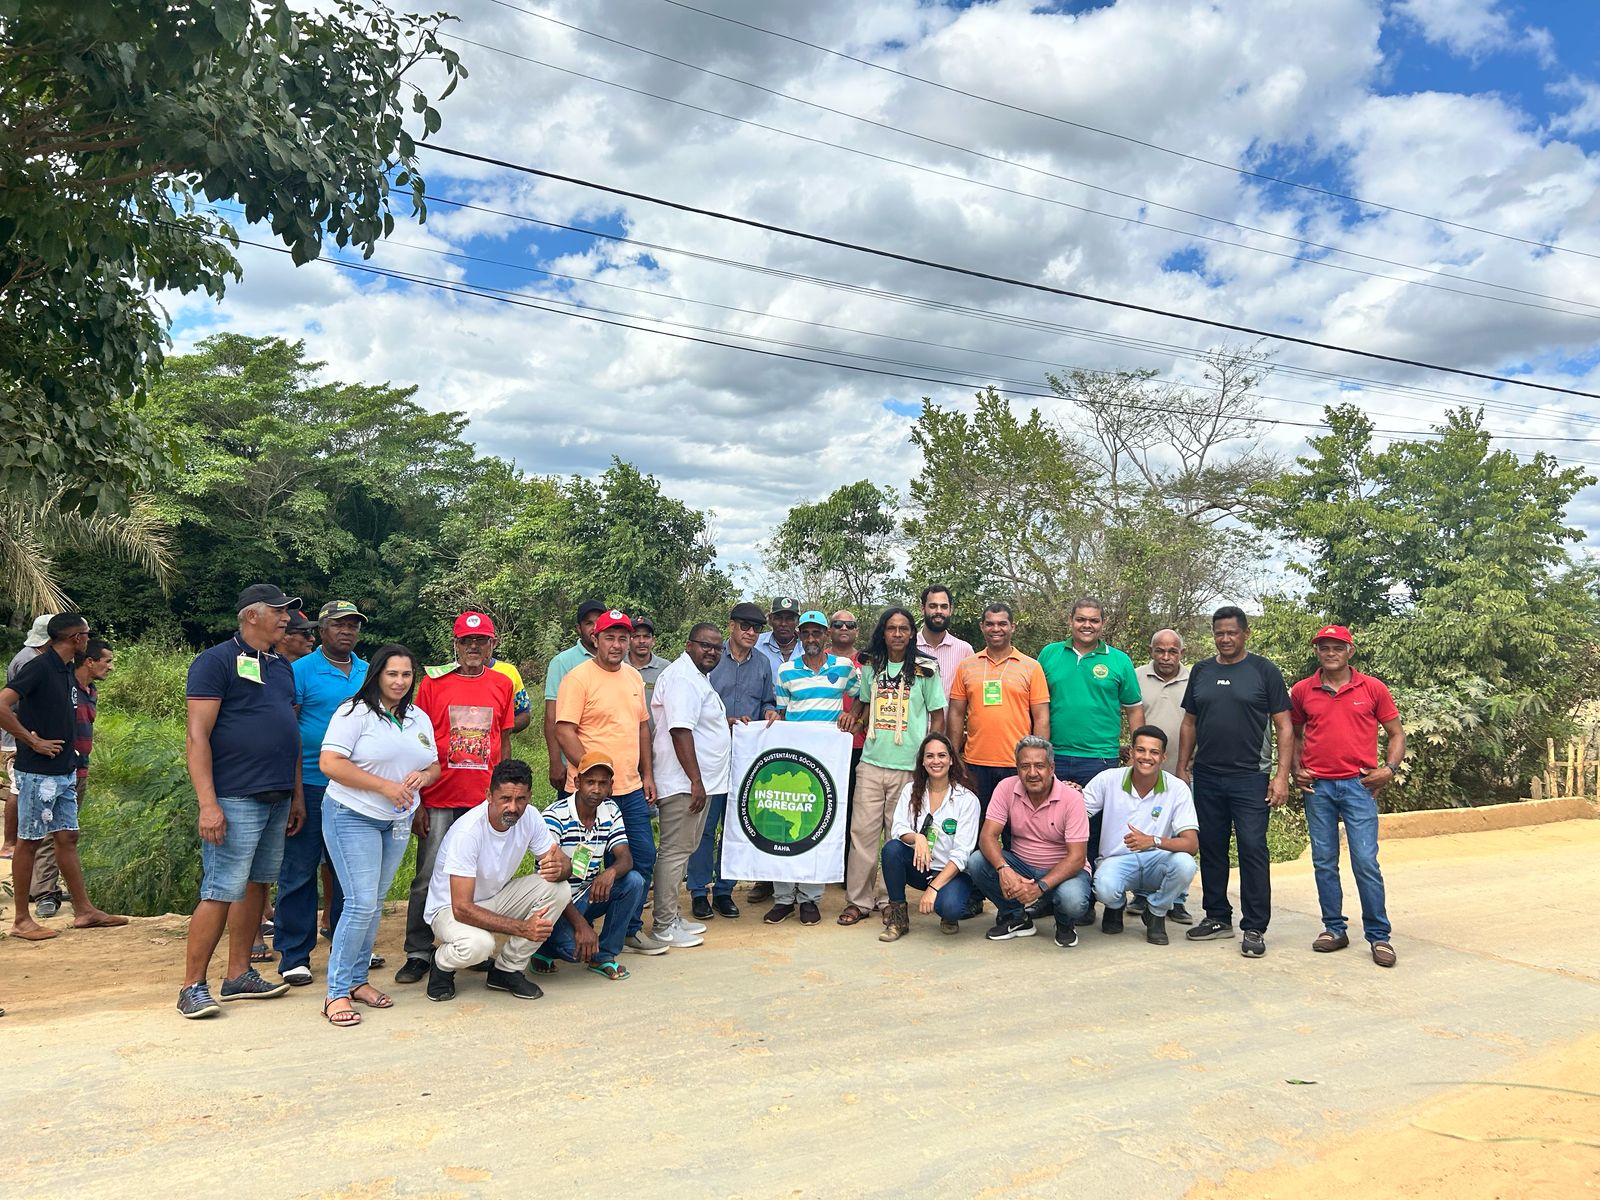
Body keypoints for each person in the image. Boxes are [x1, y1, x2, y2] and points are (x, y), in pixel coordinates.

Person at [176, 585, 304, 1018]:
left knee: (257, 885)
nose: (287, 618)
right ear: (251, 615)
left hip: (277, 795)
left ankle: (238, 974)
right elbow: (197, 736)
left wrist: (297, 795)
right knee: (219, 890)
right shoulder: (214, 661)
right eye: (279, 610)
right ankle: (192, 985)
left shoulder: (280, 666)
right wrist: (207, 803)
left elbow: (289, 731)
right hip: (234, 796)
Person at [316, 644, 441, 1026]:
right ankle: (335, 992)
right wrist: (383, 787)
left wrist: (423, 777)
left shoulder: (418, 717)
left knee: (376, 901)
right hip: (352, 815)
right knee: (359, 902)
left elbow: (434, 764)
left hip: (397, 820)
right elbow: (329, 763)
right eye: (392, 674)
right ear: (377, 676)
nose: (400, 681)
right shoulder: (353, 713)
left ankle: (358, 981)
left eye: (406, 674)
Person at [395, 611, 516, 985]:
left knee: (476, 876)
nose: (473, 647)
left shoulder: (502, 683)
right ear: (456, 644)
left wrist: (506, 794)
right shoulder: (433, 684)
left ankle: (468, 940)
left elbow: (504, 740)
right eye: (466, 641)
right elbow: (418, 744)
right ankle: (418, 950)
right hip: (441, 796)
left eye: (481, 641)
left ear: (492, 644)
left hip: (482, 800)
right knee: (428, 874)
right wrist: (419, 802)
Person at [0, 613, 126, 941]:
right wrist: (32, 740)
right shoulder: (39, 667)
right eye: (86, 633)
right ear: (76, 639)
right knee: (29, 841)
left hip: (64, 771)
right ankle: (22, 920)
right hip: (37, 772)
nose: (88, 637)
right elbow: (1, 704)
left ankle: (84, 910)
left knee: (67, 837)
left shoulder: (68, 670)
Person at [1177, 605, 1293, 959]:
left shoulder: (1264, 671)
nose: (1225, 638)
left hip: (1251, 778)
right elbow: (1189, 724)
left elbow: (1285, 726)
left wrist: (1281, 776)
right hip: (1208, 776)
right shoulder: (1202, 670)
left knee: (1253, 849)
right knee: (1211, 847)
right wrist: (1183, 768)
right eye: (1219, 632)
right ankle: (1217, 916)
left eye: (1231, 632)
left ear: (1245, 634)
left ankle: (1255, 926)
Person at [1289, 625, 1405, 968]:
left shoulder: (1372, 688)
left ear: (1350, 651)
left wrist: (1390, 769)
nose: (1330, 652)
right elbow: (1291, 734)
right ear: (1317, 652)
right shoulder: (1302, 691)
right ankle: (1334, 929)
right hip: (1318, 787)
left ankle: (1379, 936)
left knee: (1366, 861)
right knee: (1324, 861)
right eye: (1324, 647)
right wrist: (1297, 768)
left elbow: (1396, 734)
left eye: (1337, 647)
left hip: (1359, 785)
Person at [423, 759, 572, 1002]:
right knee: (480, 945)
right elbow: (462, 908)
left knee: (558, 888)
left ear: (530, 797)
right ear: (489, 796)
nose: (513, 808)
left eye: (521, 799)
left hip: (492, 898)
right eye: (505, 799)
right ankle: (441, 963)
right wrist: (523, 928)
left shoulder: (531, 817)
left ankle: (506, 970)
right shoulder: (468, 832)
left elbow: (561, 861)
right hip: (449, 909)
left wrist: (561, 868)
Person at [554, 609, 660, 953]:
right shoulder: (578, 678)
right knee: (581, 865)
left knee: (642, 858)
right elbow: (564, 729)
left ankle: (627, 929)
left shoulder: (632, 677)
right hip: (591, 793)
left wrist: (647, 774)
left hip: (629, 788)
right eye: (610, 637)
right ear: (594, 639)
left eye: (623, 638)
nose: (617, 645)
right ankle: (567, 932)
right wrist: (589, 776)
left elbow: (642, 726)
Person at [277, 599, 369, 986]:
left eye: (353, 625)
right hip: (313, 784)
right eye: (338, 625)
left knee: (349, 872)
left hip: (356, 788)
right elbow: (289, 733)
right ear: (320, 630)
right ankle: (294, 954)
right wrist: (295, 793)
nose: (346, 631)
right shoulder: (299, 670)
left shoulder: (368, 671)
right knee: (299, 870)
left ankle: (348, 948)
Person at [838, 606, 946, 926]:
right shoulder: (872, 666)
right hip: (871, 761)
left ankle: (888, 898)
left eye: (903, 628)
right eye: (891, 628)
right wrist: (853, 720)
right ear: (882, 633)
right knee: (862, 834)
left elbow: (937, 714)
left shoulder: (925, 669)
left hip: (907, 766)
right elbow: (865, 704)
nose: (897, 634)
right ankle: (858, 900)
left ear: (912, 633)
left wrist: (933, 756)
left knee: (897, 835)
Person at [766, 610, 857, 926]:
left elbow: (862, 697)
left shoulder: (844, 667)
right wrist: (774, 718)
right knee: (784, 822)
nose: (812, 638)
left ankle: (810, 899)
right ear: (799, 636)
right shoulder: (786, 670)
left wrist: (853, 717)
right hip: (792, 760)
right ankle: (782, 898)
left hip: (826, 761)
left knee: (818, 825)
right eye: (806, 633)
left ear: (826, 636)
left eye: (817, 633)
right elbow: (780, 710)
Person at [689, 601, 778, 919]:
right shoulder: (710, 657)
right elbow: (692, 704)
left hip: (745, 758)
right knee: (704, 824)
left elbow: (768, 700)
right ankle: (699, 890)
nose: (751, 632)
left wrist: (770, 710)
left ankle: (724, 890)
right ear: (731, 626)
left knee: (736, 826)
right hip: (710, 755)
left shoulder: (764, 664)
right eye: (745, 626)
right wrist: (722, 722)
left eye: (757, 628)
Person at [966, 735, 1092, 947]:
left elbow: (1077, 858)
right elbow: (987, 836)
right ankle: (1016, 918)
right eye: (1025, 766)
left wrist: (1040, 887)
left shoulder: (1072, 798)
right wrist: (1003, 868)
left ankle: (1064, 923)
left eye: (1039, 766)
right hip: (1021, 866)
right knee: (977, 862)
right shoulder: (1006, 788)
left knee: (1073, 900)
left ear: (1052, 768)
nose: (1032, 773)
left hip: (1062, 871)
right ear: (1017, 768)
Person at [649, 623, 729, 949]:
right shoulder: (683, 678)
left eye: (716, 647)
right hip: (684, 783)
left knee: (683, 851)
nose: (711, 652)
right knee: (673, 852)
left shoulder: (697, 677)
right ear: (688, 644)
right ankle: (663, 925)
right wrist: (696, 780)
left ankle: (672, 915)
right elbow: (680, 732)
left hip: (697, 782)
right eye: (704, 645)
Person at [1082, 726, 1199, 946]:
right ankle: (1115, 907)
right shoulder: (1108, 779)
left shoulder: (1177, 788)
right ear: (1131, 752)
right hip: (1116, 860)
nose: (1147, 757)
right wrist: (1065, 792)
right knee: (1105, 888)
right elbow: (1077, 814)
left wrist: (1153, 840)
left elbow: (1191, 844)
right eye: (1141, 750)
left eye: (1154, 752)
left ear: (1163, 757)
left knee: (1186, 865)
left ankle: (1156, 911)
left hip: (1157, 860)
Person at [535, 753, 646, 981]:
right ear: (577, 783)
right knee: (573, 952)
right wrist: (581, 927)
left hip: (586, 896)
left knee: (634, 881)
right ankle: (543, 948)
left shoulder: (611, 810)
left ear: (610, 787)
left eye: (602, 783)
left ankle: (603, 955)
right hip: (555, 902)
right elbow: (549, 883)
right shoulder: (554, 817)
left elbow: (625, 857)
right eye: (590, 782)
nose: (596, 789)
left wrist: (610, 873)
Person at [30, 637, 114, 918]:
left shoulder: (91, 692)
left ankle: (60, 892)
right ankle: (44, 892)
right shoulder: (62, 687)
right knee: (47, 833)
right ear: (89, 661)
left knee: (67, 833)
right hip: (53, 769)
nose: (111, 667)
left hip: (80, 770)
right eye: (107, 661)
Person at [946, 602, 1050, 811]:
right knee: (975, 826)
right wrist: (955, 756)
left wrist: (1037, 760)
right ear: (982, 627)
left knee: (1017, 830)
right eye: (990, 624)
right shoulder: (967, 666)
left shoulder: (1031, 667)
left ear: (1013, 627)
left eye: (1002, 624)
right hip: (975, 763)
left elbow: (1041, 718)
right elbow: (956, 713)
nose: (996, 629)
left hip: (1016, 762)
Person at [877, 732, 981, 941]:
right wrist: (918, 838)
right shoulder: (911, 790)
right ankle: (898, 917)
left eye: (942, 756)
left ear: (951, 760)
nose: (936, 761)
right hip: (921, 866)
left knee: (950, 908)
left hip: (952, 873)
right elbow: (898, 827)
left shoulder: (967, 800)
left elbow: (962, 854)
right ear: (922, 761)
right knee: (892, 849)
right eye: (930, 756)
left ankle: (949, 910)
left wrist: (933, 888)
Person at [1038, 598, 1144, 787]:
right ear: (1070, 620)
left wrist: (1137, 754)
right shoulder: (1049, 654)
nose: (1087, 625)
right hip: (1054, 756)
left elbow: (1134, 710)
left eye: (1094, 620)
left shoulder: (1120, 661)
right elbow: (1036, 706)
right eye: (1081, 620)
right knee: (1052, 816)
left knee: (1097, 817)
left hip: (1100, 758)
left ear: (1103, 623)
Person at [1131, 629, 1194, 923]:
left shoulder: (1195, 677)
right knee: (1144, 830)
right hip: (1144, 771)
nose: (1166, 657)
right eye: (1160, 651)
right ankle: (1142, 896)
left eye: (1173, 651)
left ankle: (1177, 899)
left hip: (1183, 771)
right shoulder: (1136, 675)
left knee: (1181, 835)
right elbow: (1130, 715)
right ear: (1151, 650)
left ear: (1182, 652)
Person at [2, 612, 52, 862]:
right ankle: (10, 843)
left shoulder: (33, 657)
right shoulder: (30, 662)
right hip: (18, 734)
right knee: (17, 787)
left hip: (22, 733)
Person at [543, 599, 605, 799]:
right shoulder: (563, 662)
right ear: (579, 628)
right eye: (589, 623)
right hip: (574, 763)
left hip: (613, 765)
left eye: (599, 622)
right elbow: (552, 716)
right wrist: (555, 761)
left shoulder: (619, 658)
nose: (594, 628)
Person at [916, 585, 973, 696]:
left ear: (950, 610)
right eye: (933, 606)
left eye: (944, 607)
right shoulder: (908, 647)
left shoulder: (964, 651)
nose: (939, 611)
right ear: (922, 609)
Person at [830, 609, 866, 777]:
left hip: (859, 742)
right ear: (829, 630)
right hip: (827, 740)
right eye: (838, 624)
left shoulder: (868, 662)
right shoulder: (817, 660)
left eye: (850, 625)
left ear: (856, 632)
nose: (844, 628)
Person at [628, 615, 671, 730]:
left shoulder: (666, 669)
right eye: (636, 636)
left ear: (653, 640)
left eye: (646, 636)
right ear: (628, 639)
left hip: (656, 741)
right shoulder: (619, 666)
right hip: (624, 740)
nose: (642, 641)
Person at [755, 596, 801, 674]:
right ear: (770, 620)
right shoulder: (756, 644)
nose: (783, 624)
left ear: (797, 621)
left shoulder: (805, 647)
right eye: (778, 618)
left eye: (789, 619)